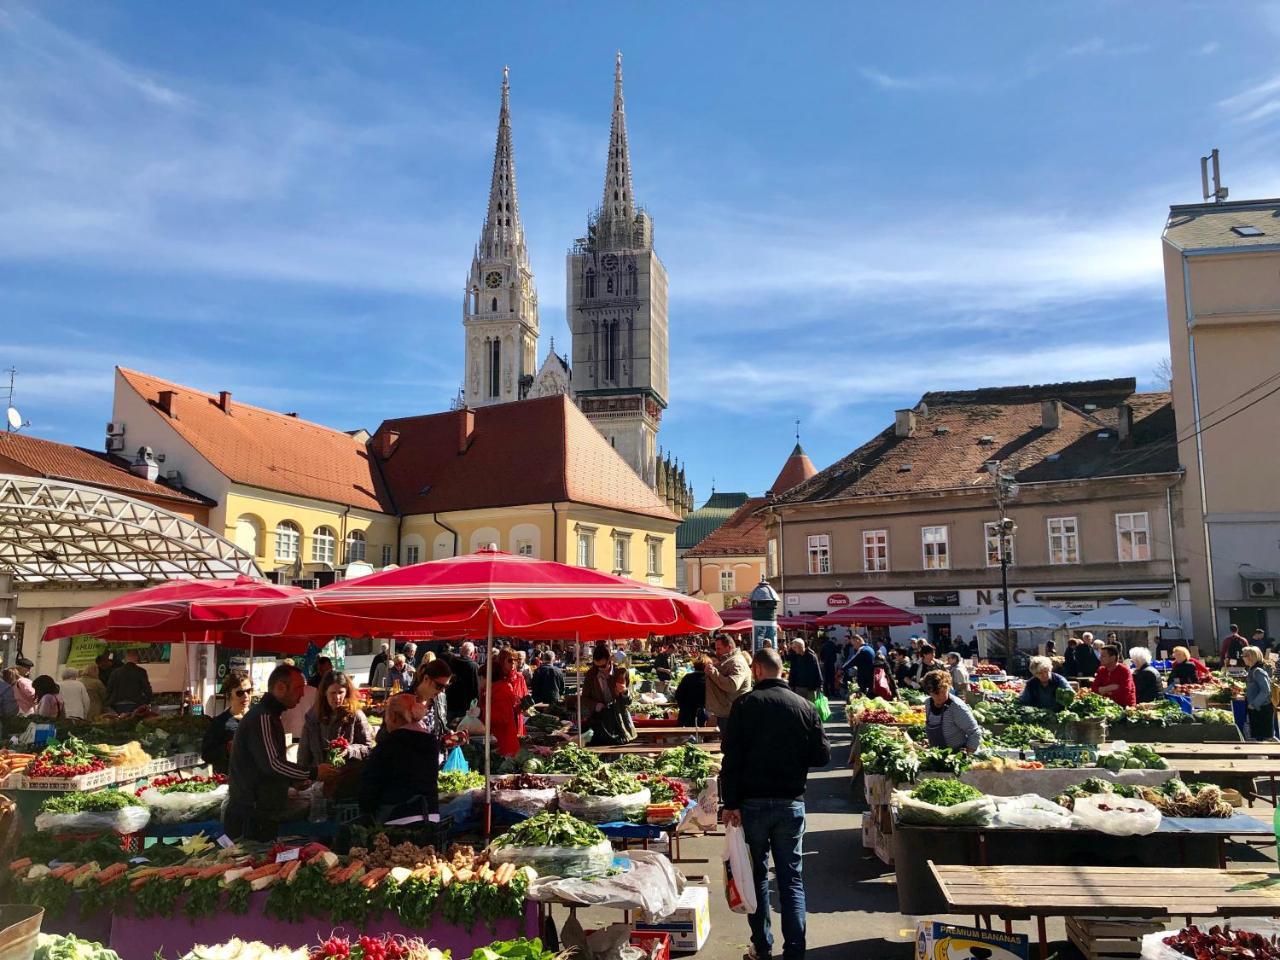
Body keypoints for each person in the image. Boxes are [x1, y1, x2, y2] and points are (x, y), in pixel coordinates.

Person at [720, 648, 830, 960]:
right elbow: (822, 756)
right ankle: (795, 951)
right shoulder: (805, 706)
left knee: (756, 878)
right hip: (790, 802)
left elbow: (732, 759)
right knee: (790, 880)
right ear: (781, 671)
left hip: (751, 803)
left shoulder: (744, 705)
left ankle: (762, 946)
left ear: (756, 670)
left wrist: (730, 803)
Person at [225, 664, 324, 842]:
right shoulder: (263, 717)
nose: (302, 694)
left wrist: (293, 781)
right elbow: (272, 764)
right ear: (280, 688)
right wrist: (314, 772)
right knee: (250, 862)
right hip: (252, 813)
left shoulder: (270, 715)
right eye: (298, 688)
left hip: (258, 810)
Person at [360, 693, 443, 824]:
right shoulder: (431, 743)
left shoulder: (388, 744)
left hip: (396, 817)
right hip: (431, 815)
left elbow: (370, 785)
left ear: (392, 716)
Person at [298, 672, 374, 769]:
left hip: (347, 777)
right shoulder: (313, 716)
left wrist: (349, 750)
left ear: (347, 692)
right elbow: (303, 752)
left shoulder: (356, 715)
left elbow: (368, 749)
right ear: (325, 692)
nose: (337, 698)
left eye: (341, 692)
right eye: (333, 693)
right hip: (320, 776)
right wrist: (304, 776)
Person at [579, 643, 636, 747]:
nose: (600, 668)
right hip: (599, 720)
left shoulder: (621, 673)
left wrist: (624, 692)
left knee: (619, 749)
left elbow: (629, 701)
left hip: (619, 720)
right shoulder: (591, 675)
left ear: (610, 660)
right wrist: (595, 705)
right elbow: (584, 698)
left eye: (603, 666)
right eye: (597, 666)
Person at [202, 670, 252, 776]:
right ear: (230, 695)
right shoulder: (220, 722)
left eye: (249, 691)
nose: (246, 696)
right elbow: (206, 754)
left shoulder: (259, 718)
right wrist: (226, 749)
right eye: (240, 693)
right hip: (229, 780)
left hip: (256, 780)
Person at [484, 648, 531, 757]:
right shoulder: (496, 677)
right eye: (510, 660)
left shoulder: (519, 677)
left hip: (516, 717)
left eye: (516, 660)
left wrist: (524, 703)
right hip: (501, 719)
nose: (513, 664)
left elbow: (525, 697)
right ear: (502, 661)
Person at [921, 670, 982, 753]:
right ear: (929, 692)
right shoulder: (928, 703)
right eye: (935, 693)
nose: (940, 696)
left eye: (943, 692)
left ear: (948, 688)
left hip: (956, 755)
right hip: (936, 754)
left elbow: (975, 733)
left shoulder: (956, 707)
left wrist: (966, 756)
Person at [703, 634, 751, 727]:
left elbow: (732, 685)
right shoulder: (730, 660)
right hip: (728, 712)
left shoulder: (737, 662)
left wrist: (713, 672)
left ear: (729, 647)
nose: (716, 652)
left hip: (733, 714)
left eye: (719, 649)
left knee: (732, 741)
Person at [1242, 646, 1274, 741]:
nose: (1242, 658)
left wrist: (1254, 704)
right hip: (1257, 709)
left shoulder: (1258, 671)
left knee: (1263, 739)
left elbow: (1266, 690)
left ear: (1250, 657)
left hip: (1262, 710)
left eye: (1243, 655)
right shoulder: (1253, 669)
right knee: (1258, 737)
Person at [445, 642, 481, 723]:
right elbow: (476, 688)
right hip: (466, 707)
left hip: (451, 704)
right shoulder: (473, 666)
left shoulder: (451, 663)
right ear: (472, 653)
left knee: (450, 732)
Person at [674, 659, 707, 727]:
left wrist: (683, 707)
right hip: (702, 714)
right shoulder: (708, 679)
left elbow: (678, 695)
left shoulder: (687, 677)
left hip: (686, 713)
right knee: (700, 735)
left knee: (685, 736)